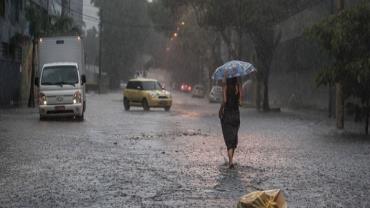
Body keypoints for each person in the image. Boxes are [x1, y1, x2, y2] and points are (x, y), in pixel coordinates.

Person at [219, 76, 241, 169]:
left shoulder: (226, 87)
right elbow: (241, 103)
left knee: (228, 139)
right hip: (236, 115)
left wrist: (220, 109)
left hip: (227, 115)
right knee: (233, 138)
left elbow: (224, 101)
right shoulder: (238, 87)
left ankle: (230, 162)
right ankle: (231, 160)